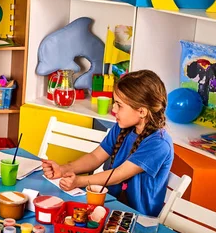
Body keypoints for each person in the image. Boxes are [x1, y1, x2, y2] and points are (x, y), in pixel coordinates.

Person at [42, 70, 174, 217]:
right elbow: (95, 157)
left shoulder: (158, 143)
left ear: (142, 111)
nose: (113, 109)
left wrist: (79, 181)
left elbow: (118, 175)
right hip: (109, 207)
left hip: (138, 218)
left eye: (119, 105)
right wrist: (63, 169)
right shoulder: (122, 127)